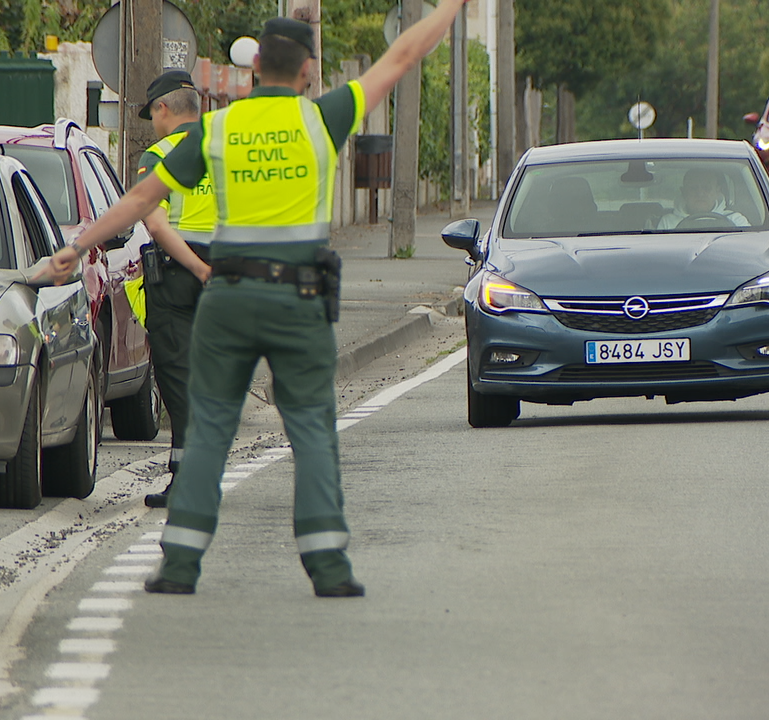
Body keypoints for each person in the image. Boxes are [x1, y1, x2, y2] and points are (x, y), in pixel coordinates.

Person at [37, 2, 471, 598]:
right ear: (308, 73)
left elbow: (141, 199)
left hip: (228, 300)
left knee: (210, 426)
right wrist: (452, 5)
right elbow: (403, 53)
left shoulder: (216, 130)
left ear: (255, 67)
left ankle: (181, 564)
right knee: (312, 429)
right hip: (298, 301)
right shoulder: (323, 119)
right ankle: (329, 568)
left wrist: (76, 245)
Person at [134, 70, 215, 508]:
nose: (153, 123)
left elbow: (155, 221)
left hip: (181, 275)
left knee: (179, 380)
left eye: (152, 115)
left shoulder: (159, 154)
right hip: (229, 274)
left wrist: (197, 267)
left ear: (163, 109)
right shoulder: (221, 150)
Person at [656, 168, 747, 230]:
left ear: (717, 191)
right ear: (684, 192)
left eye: (707, 188)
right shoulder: (667, 223)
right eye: (693, 188)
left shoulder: (736, 221)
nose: (700, 194)